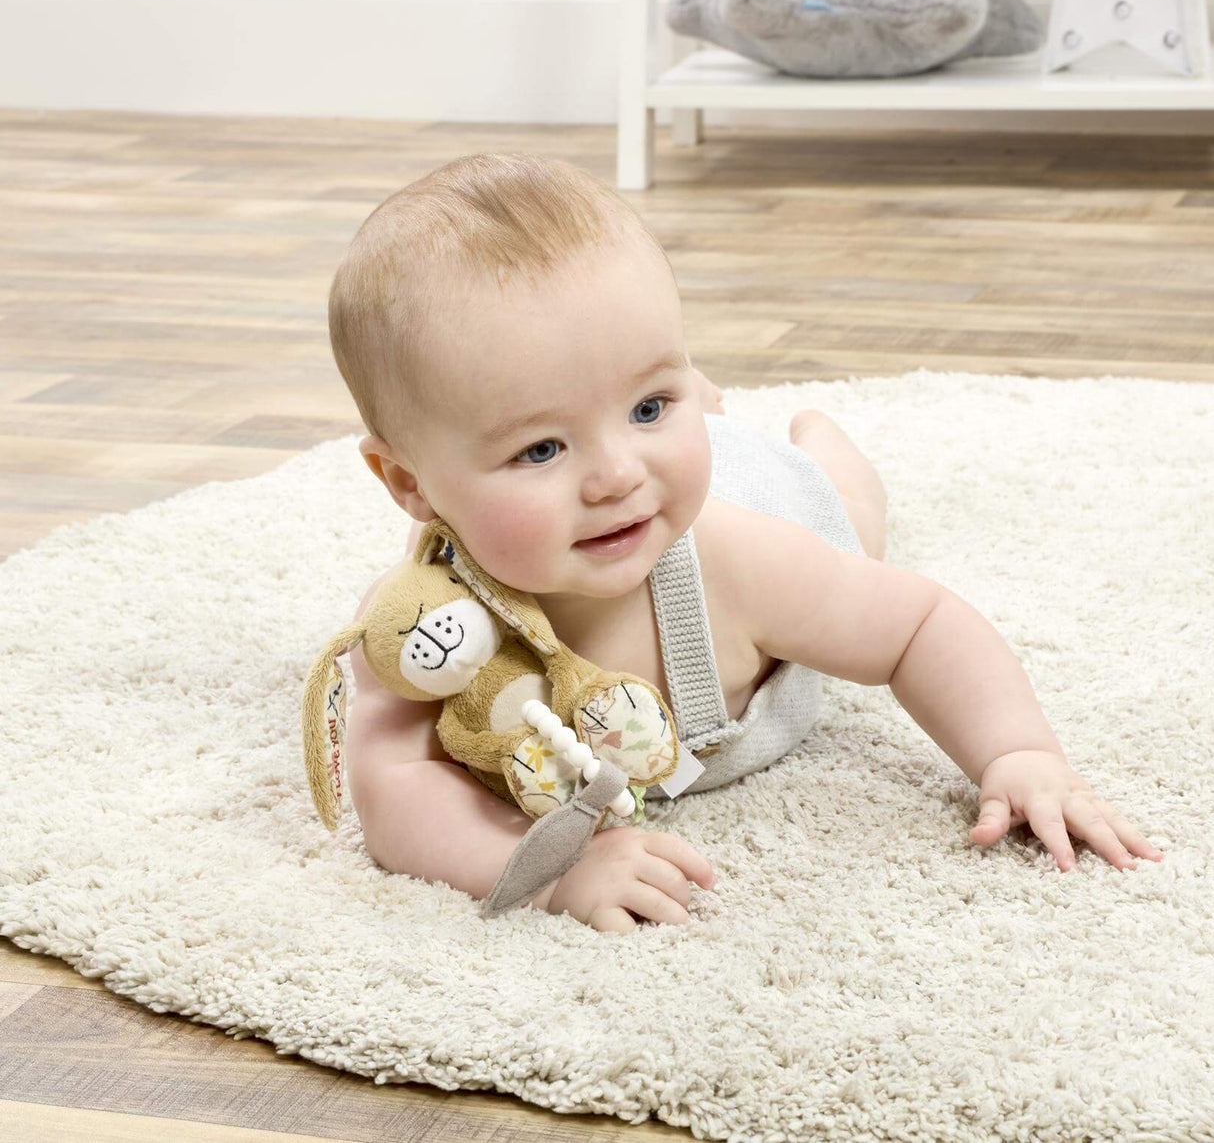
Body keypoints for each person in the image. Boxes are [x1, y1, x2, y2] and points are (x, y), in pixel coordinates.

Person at [326, 152, 1162, 935]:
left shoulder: (742, 561)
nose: (615, 475)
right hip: (663, 482)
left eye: (651, 404)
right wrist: (548, 871)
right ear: (412, 486)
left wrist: (1016, 752)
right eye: (541, 449)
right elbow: (390, 787)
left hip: (765, 493)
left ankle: (813, 436)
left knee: (850, 513)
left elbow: (919, 624)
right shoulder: (422, 630)